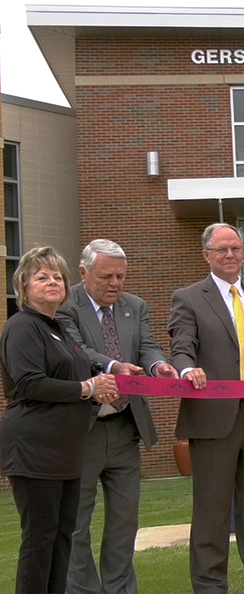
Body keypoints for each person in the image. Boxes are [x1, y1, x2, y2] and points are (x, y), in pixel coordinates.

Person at [168, 223, 244, 594]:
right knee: (212, 509)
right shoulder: (189, 298)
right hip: (212, 420)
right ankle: (209, 585)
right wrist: (187, 368)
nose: (230, 255)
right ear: (206, 255)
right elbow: (181, 344)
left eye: (235, 248)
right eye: (221, 250)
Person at [59, 239, 179, 594]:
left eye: (121, 277)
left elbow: (147, 343)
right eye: (106, 276)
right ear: (83, 273)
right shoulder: (66, 306)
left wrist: (158, 365)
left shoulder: (135, 306)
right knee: (77, 523)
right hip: (84, 429)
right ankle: (82, 590)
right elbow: (76, 349)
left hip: (126, 427)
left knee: (125, 521)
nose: (115, 284)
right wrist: (112, 366)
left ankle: (120, 589)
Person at [0, 247, 118, 594]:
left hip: (66, 452)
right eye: (42, 277)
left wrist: (100, 388)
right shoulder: (22, 326)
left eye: (57, 277)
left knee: (62, 538)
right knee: (39, 541)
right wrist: (87, 387)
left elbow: (79, 377)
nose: (52, 282)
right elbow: (29, 382)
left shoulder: (59, 328)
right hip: (34, 450)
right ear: (24, 286)